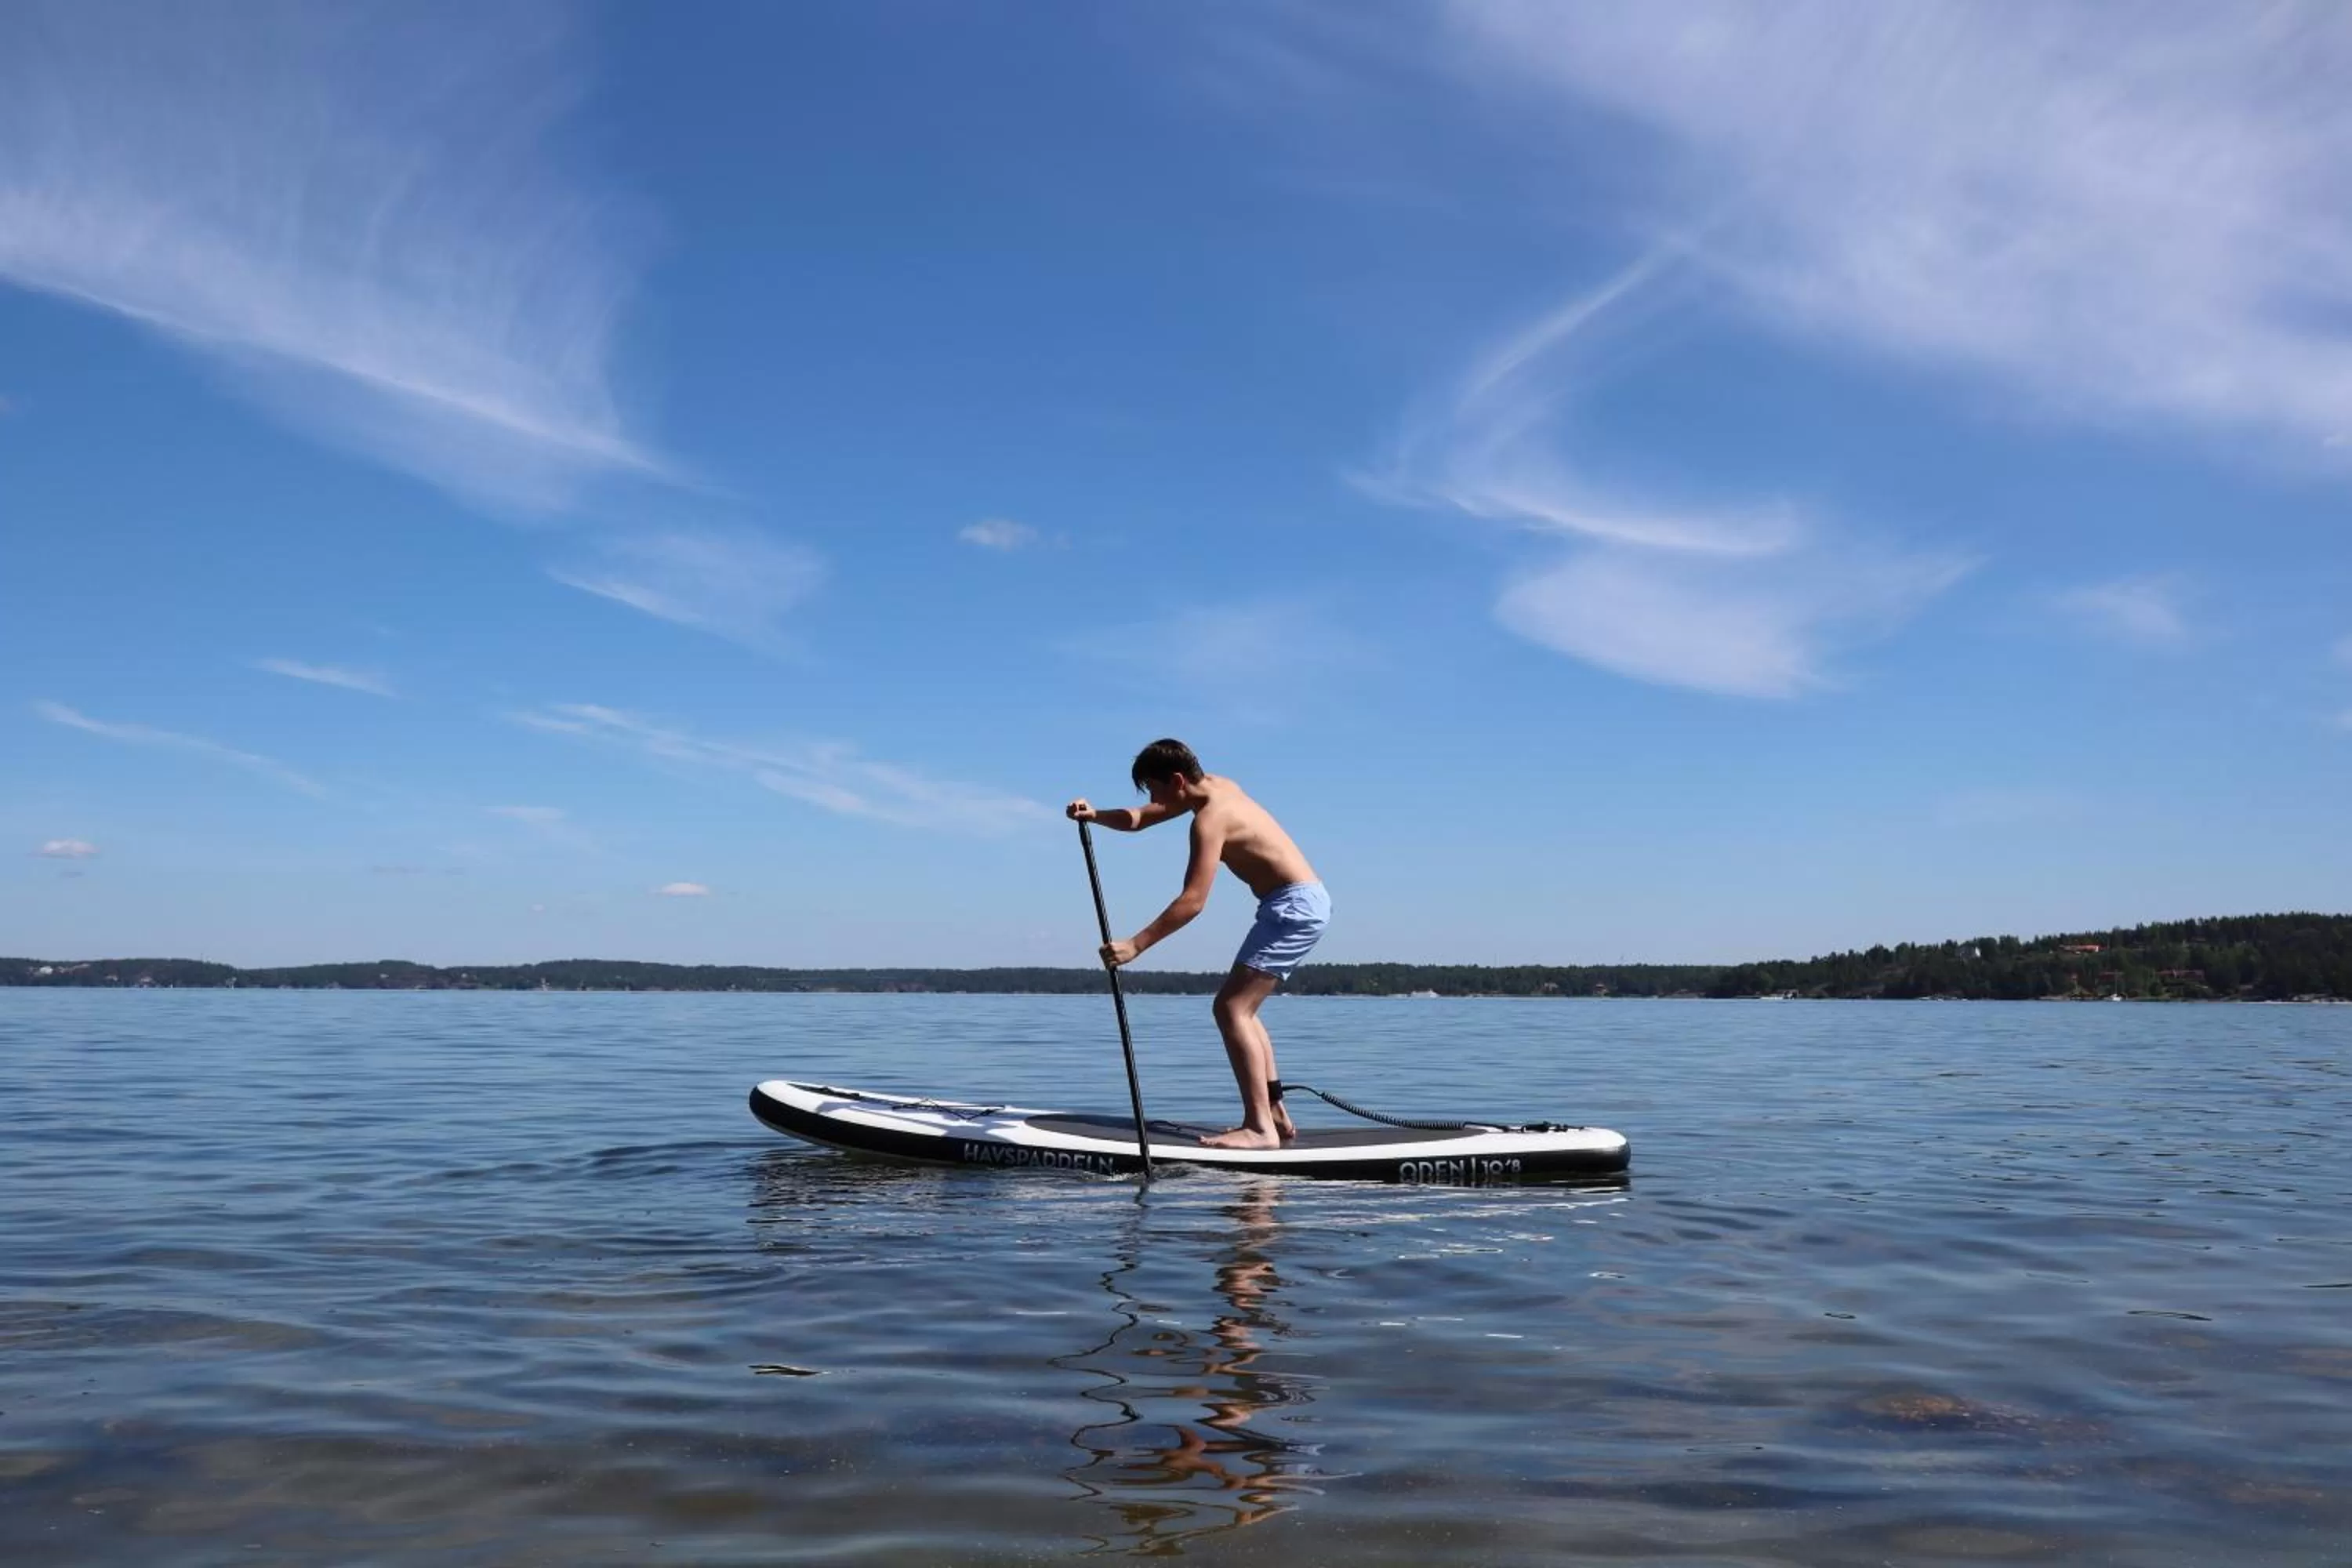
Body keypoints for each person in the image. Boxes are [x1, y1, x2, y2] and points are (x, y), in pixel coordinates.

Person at [1067, 739, 1329, 1150]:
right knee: (1243, 1009)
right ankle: (1273, 1113)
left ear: (1176, 781)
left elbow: (1192, 902)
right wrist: (1096, 815)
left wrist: (1135, 945)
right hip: (1299, 902)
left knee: (1231, 1009)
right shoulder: (1218, 786)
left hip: (1292, 906)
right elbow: (1140, 819)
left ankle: (1259, 1128)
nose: (1153, 800)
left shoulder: (1209, 821)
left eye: (1155, 789)